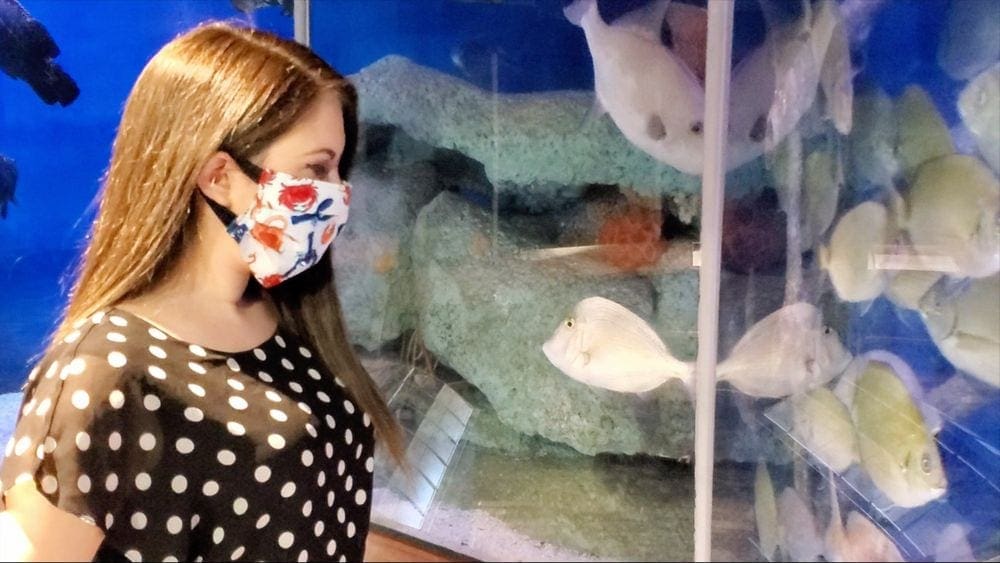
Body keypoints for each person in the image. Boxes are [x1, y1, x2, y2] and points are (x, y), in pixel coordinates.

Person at [0, 21, 403, 562]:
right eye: (318, 167)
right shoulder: (103, 368)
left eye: (338, 167)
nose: (337, 196)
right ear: (219, 176)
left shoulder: (288, 319)